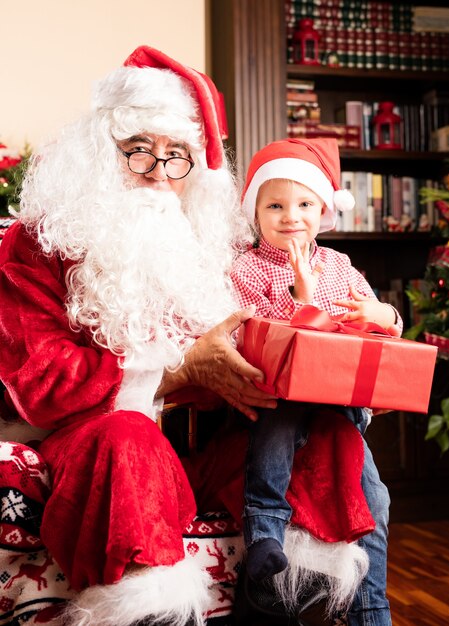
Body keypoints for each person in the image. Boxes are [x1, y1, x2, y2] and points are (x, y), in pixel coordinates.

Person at [0, 48, 371, 626]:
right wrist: (178, 369)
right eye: (139, 150)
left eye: (178, 157)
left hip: (204, 446)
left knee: (324, 438)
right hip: (98, 439)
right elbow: (41, 383)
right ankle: (152, 611)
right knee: (127, 440)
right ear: (100, 154)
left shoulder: (206, 248)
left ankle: (285, 599)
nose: (157, 172)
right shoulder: (38, 244)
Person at [231, 137, 401, 625]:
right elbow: (259, 338)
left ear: (323, 209)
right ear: (256, 212)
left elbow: (382, 331)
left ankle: (371, 610)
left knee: (376, 497)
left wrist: (382, 313)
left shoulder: (340, 266)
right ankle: (264, 531)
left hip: (340, 406)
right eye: (275, 205)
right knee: (279, 431)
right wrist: (299, 298)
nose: (291, 216)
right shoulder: (245, 268)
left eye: (305, 204)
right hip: (279, 398)